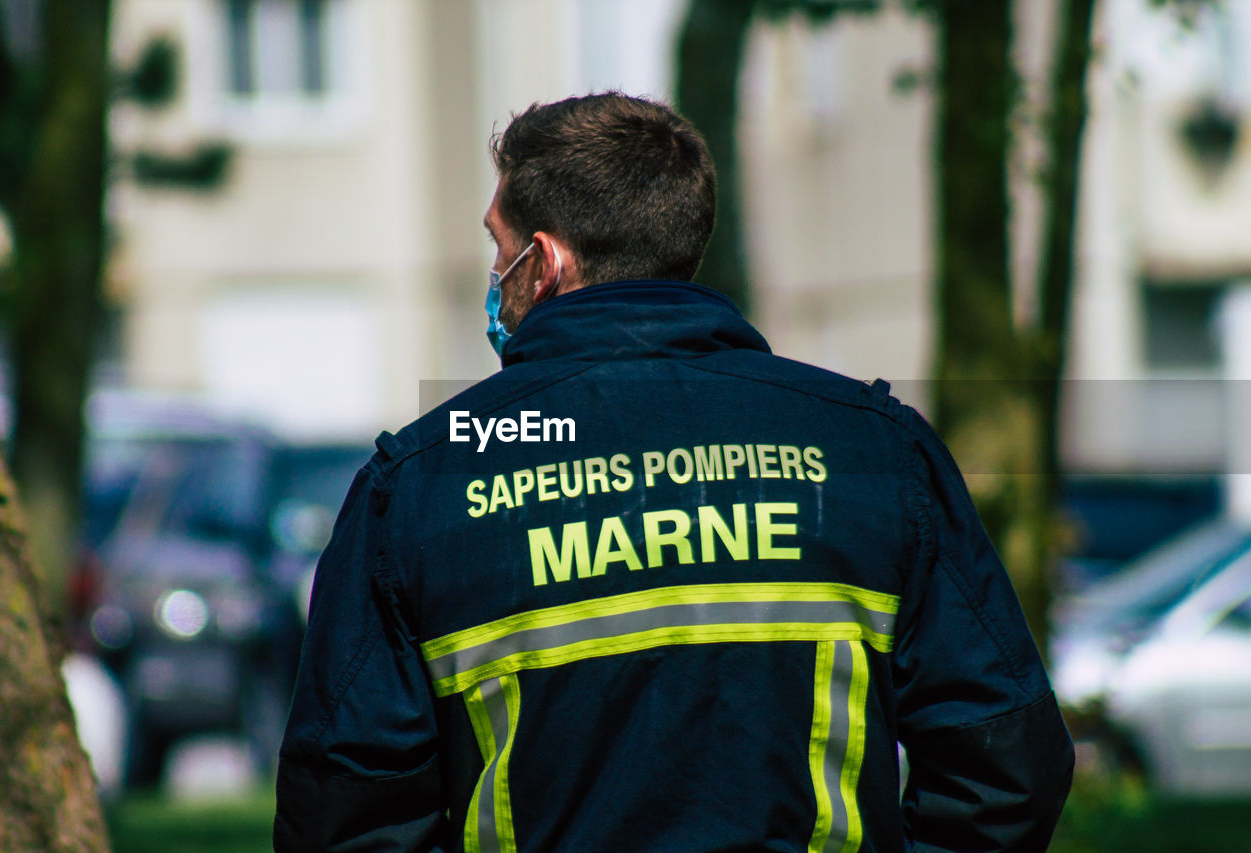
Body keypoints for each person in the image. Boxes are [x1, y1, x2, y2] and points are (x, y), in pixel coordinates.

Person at [274, 92, 1073, 853]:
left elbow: (344, 812)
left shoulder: (422, 482)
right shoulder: (874, 450)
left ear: (543, 262)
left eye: (498, 245)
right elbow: (1006, 764)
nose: (494, 274)